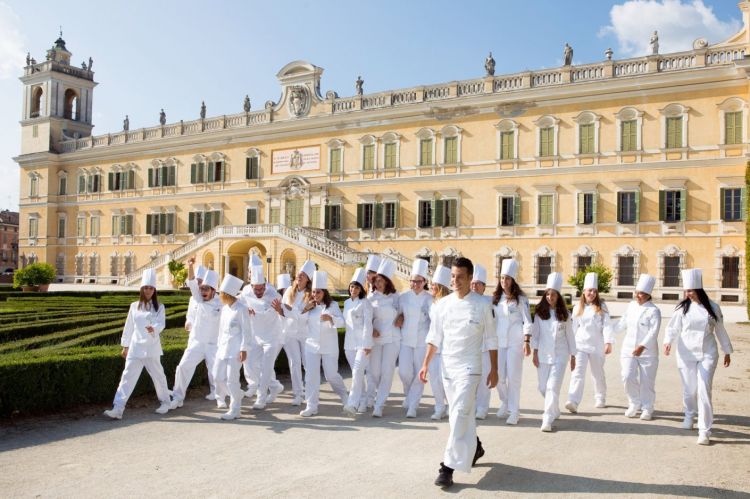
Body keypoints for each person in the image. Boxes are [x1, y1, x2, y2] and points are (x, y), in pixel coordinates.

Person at [419, 257, 498, 489]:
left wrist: (495, 369)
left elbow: (492, 339)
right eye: (452, 276)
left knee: (461, 412)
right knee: (458, 416)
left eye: (460, 277)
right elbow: (434, 338)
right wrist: (425, 364)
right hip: (448, 368)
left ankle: (447, 467)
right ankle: (476, 445)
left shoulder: (483, 304)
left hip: (471, 368)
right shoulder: (442, 305)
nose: (455, 281)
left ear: (471, 278)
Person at [664, 269, 733, 445]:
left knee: (703, 389)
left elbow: (720, 330)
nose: (688, 294)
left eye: (691, 291)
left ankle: (705, 430)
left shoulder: (713, 307)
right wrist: (668, 342)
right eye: (686, 291)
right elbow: (672, 327)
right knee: (690, 389)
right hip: (686, 353)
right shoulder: (681, 308)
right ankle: (689, 416)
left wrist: (727, 351)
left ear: (699, 290)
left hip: (708, 352)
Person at [104, 269, 170, 419]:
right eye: (146, 288)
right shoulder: (134, 306)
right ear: (141, 289)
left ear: (154, 290)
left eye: (151, 288)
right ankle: (118, 408)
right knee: (127, 377)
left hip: (152, 348)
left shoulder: (160, 307)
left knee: (158, 376)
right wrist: (125, 346)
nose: (148, 291)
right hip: (135, 348)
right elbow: (129, 327)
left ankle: (165, 402)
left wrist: (154, 328)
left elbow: (161, 324)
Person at [479, 259, 532, 425]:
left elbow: (528, 321)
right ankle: (506, 401)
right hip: (499, 342)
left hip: (516, 343)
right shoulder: (496, 299)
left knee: (514, 378)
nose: (504, 281)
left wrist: (526, 341)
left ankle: (514, 411)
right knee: (500, 376)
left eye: (507, 278)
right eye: (502, 278)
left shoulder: (521, 300)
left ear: (513, 280)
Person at [169, 258, 222, 410]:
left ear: (213, 290)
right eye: (202, 288)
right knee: (183, 367)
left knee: (217, 372)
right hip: (197, 342)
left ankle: (220, 396)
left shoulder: (221, 302)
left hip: (213, 344)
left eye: (206, 289)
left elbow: (236, 304)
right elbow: (192, 281)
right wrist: (190, 265)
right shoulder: (197, 298)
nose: (203, 291)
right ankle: (178, 398)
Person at [610, 274, 661, 420]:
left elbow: (653, 332)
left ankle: (647, 408)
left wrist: (642, 346)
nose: (638, 296)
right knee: (627, 376)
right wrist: (607, 327)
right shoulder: (631, 306)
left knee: (647, 381)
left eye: (642, 294)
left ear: (648, 295)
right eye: (637, 292)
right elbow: (622, 324)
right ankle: (634, 402)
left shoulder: (654, 311)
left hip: (647, 352)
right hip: (628, 348)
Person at [531, 272, 576, 432]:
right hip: (543, 354)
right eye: (548, 294)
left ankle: (547, 419)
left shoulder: (565, 315)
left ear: (558, 296)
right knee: (543, 387)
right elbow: (535, 335)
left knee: (552, 387)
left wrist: (573, 356)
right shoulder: (539, 313)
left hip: (560, 356)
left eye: (553, 295)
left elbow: (570, 336)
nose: (550, 297)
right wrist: (534, 353)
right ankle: (555, 409)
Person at [300, 271, 348, 417]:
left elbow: (343, 322)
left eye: (318, 292)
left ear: (324, 292)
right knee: (311, 376)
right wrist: (304, 310)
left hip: (329, 346)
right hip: (311, 346)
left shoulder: (333, 305)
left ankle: (345, 397)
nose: (315, 295)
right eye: (313, 292)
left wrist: (330, 318)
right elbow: (298, 322)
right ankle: (311, 405)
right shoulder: (308, 305)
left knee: (331, 375)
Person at [565, 272, 613, 413]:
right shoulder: (577, 308)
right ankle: (573, 400)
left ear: (596, 293)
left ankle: (600, 397)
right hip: (580, 345)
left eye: (594, 291)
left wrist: (608, 342)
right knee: (577, 373)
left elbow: (608, 325)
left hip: (597, 345)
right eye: (589, 290)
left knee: (597, 373)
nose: (591, 293)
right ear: (584, 292)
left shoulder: (602, 307)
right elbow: (573, 328)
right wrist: (570, 347)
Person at [274, 260, 316, 406]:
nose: (299, 277)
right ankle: (298, 394)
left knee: (307, 364)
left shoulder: (311, 295)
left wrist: (289, 311)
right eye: (299, 274)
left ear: (308, 279)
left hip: (305, 334)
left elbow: (304, 316)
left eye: (303, 275)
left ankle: (310, 393)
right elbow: (282, 311)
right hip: (290, 333)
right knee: (294, 363)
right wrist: (293, 311)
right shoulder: (288, 292)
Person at [242, 265, 283, 410]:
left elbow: (278, 313)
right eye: (256, 289)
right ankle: (275, 386)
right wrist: (245, 309)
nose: (259, 292)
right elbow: (238, 303)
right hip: (256, 335)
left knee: (266, 367)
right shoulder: (245, 291)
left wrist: (256, 313)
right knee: (251, 363)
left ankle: (261, 398)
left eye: (261, 289)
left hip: (272, 336)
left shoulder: (274, 295)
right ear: (251, 286)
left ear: (265, 285)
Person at [213, 274, 253, 420]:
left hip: (235, 350)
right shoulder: (225, 309)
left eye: (220, 294)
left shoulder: (241, 309)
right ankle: (237, 394)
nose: (219, 296)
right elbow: (221, 330)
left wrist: (244, 349)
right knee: (217, 376)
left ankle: (235, 409)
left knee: (232, 379)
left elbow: (247, 331)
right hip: (222, 348)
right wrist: (218, 346)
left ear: (226, 294)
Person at [397, 259, 432, 418]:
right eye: (412, 281)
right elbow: (398, 313)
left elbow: (434, 320)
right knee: (404, 372)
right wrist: (399, 318)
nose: (415, 284)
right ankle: (409, 396)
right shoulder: (403, 297)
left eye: (418, 281)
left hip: (422, 341)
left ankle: (413, 405)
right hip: (405, 339)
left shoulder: (429, 299)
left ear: (424, 282)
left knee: (419, 373)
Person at [367, 258, 401, 417]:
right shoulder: (370, 299)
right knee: (374, 371)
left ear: (387, 282)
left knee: (387, 371)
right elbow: (366, 319)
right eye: (377, 280)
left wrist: (402, 317)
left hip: (393, 339)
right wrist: (372, 329)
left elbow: (403, 312)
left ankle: (379, 405)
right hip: (376, 339)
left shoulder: (396, 297)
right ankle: (372, 397)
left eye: (381, 280)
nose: (378, 283)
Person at [342, 268, 374, 416]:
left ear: (361, 289)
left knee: (356, 372)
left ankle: (352, 404)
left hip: (362, 343)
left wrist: (367, 344)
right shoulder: (347, 302)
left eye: (356, 287)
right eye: (351, 286)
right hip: (349, 343)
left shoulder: (366, 303)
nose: (353, 289)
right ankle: (363, 400)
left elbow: (368, 325)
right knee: (358, 374)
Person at [427, 265, 451, 420]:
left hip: (447, 347)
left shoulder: (449, 303)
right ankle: (439, 406)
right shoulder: (432, 303)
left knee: (447, 379)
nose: (431, 287)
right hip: (434, 346)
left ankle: (450, 405)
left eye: (434, 285)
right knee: (434, 378)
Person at [471, 264, 495, 419]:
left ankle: (483, 408)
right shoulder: (465, 300)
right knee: (471, 378)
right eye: (472, 284)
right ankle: (472, 406)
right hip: (469, 347)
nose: (474, 287)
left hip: (486, 346)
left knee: (485, 377)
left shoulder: (491, 301)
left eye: (478, 284)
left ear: (484, 287)